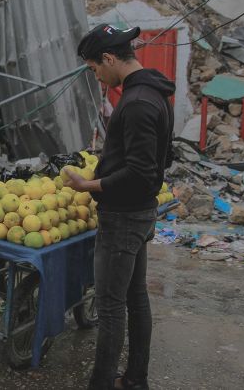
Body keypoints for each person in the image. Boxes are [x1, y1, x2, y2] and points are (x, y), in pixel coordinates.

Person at [65, 24, 175, 390]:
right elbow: (159, 158)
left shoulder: (139, 102)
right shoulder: (151, 92)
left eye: (96, 69)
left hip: (125, 216)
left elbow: (141, 173)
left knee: (112, 307)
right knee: (135, 296)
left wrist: (88, 184)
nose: (97, 77)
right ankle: (135, 379)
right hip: (140, 213)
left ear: (109, 58)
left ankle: (102, 383)